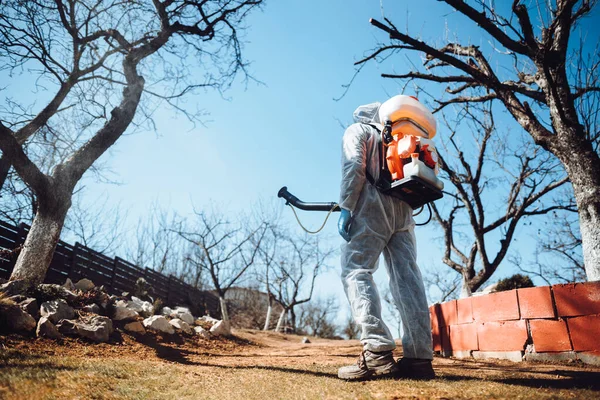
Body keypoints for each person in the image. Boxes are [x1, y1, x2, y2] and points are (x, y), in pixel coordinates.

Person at [336, 99, 435, 381]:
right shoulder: (401, 137)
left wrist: (346, 207)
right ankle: (419, 358)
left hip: (371, 206)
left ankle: (377, 351)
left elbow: (353, 166)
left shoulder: (359, 130)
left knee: (356, 271)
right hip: (404, 211)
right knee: (408, 279)